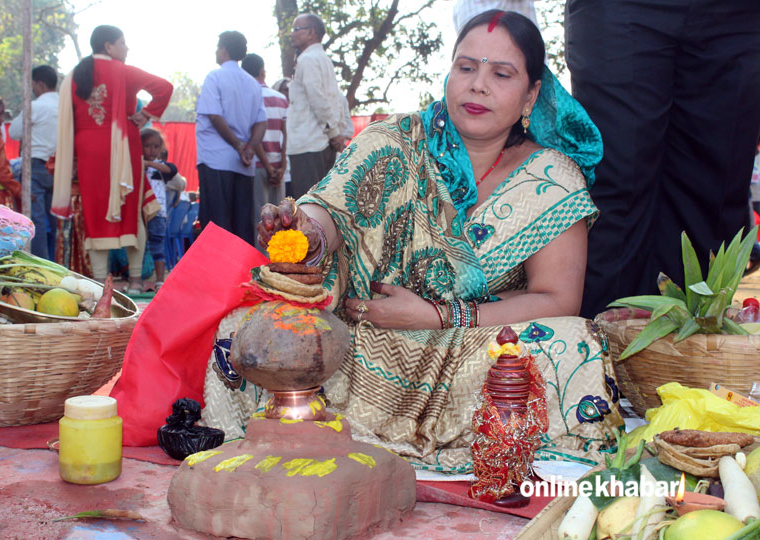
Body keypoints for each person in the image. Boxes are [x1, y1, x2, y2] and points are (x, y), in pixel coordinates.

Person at [112, 11, 622, 471]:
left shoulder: (552, 178)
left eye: (501, 74)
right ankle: (310, 423)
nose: (478, 85)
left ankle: (340, 433)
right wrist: (301, 229)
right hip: (363, 337)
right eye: (466, 67)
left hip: (471, 349)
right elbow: (332, 207)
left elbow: (558, 300)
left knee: (568, 347)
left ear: (532, 95)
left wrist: (438, 316)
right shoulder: (393, 139)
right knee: (243, 329)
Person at [565, 0, 760, 318]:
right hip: (622, 8)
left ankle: (686, 351)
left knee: (715, 192)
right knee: (617, 182)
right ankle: (599, 349)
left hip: (736, 14)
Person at [52, 25, 172, 293]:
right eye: (123, 42)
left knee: (95, 214)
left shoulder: (73, 76)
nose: (126, 49)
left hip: (87, 153)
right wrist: (146, 115)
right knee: (132, 213)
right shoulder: (125, 72)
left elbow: (68, 123)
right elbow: (165, 88)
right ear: (109, 46)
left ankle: (98, 282)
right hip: (124, 150)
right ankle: (135, 281)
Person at [195, 31, 266, 246]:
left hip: (216, 159)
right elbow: (261, 122)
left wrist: (238, 146)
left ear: (224, 50)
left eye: (218, 47)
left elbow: (214, 115)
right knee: (241, 223)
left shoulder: (215, 77)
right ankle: (241, 276)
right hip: (243, 164)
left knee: (216, 223)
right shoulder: (253, 83)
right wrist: (250, 148)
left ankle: (216, 278)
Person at [286, 13, 346, 198]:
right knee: (320, 204)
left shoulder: (308, 59)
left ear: (311, 32)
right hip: (322, 142)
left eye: (296, 29)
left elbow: (317, 98)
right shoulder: (323, 58)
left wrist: (334, 132)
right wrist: (335, 133)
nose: (291, 34)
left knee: (307, 207)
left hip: (308, 143)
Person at [9, 65, 59, 260]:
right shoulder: (66, 107)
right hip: (59, 169)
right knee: (54, 220)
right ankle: (53, 263)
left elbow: (14, 132)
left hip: (36, 167)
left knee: (35, 220)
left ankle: (40, 265)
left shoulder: (36, 106)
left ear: (39, 84)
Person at [240, 53, 288, 248]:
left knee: (261, 220)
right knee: (282, 219)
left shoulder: (248, 97)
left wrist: (268, 168)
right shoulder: (281, 99)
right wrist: (282, 166)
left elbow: (254, 134)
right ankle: (282, 263)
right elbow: (286, 136)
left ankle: (262, 265)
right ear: (263, 71)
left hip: (258, 166)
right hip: (279, 167)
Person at [140, 127, 178, 289]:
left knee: (157, 244)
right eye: (148, 146)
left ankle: (160, 280)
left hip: (158, 213)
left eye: (156, 146)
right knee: (140, 246)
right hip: (139, 212)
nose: (152, 150)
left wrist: (148, 163)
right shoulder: (135, 165)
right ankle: (140, 279)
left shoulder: (160, 167)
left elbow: (171, 170)